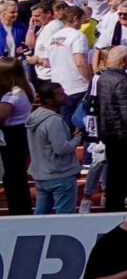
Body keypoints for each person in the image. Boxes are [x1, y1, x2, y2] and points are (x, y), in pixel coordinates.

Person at [96, 45, 127, 215]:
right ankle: (115, 207)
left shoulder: (103, 78)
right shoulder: (122, 81)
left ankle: (113, 204)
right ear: (123, 60)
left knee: (114, 173)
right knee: (121, 173)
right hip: (122, 135)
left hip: (109, 132)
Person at [26, 79, 80, 213]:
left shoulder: (33, 117)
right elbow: (61, 149)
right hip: (60, 175)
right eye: (61, 94)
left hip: (41, 175)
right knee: (64, 218)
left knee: (40, 215)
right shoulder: (53, 121)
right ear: (50, 100)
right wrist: (78, 137)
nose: (65, 96)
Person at [0, 59, 35, 214]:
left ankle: (19, 211)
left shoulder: (12, 95)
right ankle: (21, 209)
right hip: (20, 133)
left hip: (12, 136)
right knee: (17, 176)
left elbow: (1, 115)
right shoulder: (26, 88)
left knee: (13, 178)